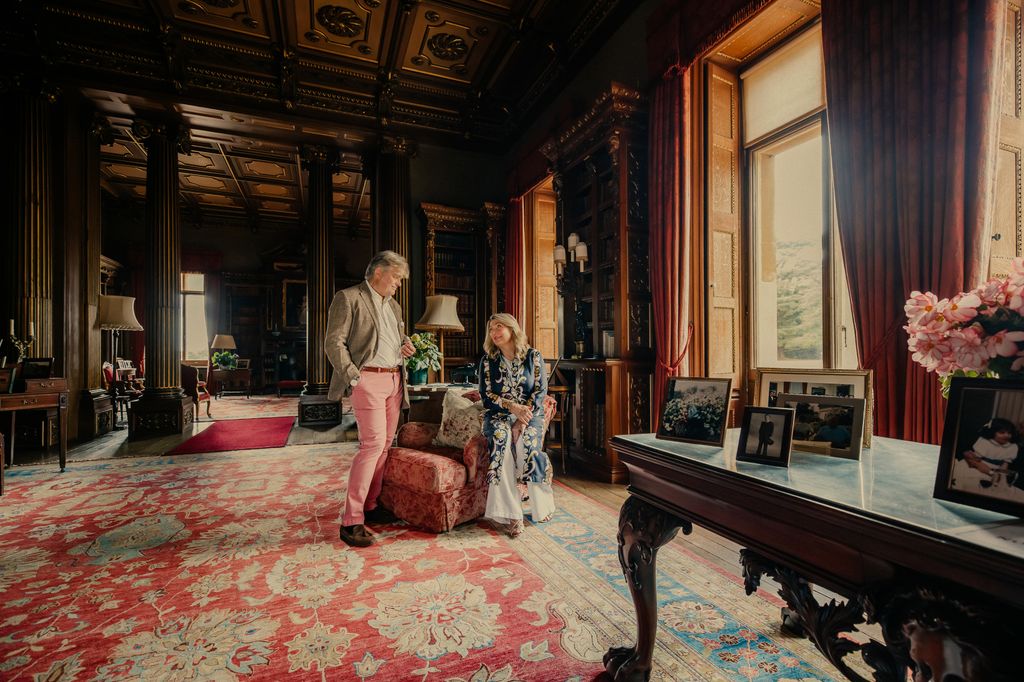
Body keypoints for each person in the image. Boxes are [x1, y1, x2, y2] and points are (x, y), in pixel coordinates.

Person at [326, 250, 416, 548]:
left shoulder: (395, 306)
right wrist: (353, 376)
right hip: (368, 379)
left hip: (394, 379)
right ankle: (351, 520)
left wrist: (405, 347)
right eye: (396, 277)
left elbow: (391, 340)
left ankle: (371, 506)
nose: (398, 284)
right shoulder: (348, 297)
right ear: (378, 272)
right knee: (372, 445)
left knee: (385, 446)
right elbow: (333, 342)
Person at [478, 313, 553, 538]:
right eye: (491, 329)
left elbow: (540, 391)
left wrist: (523, 417)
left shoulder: (533, 356)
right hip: (498, 414)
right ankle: (511, 515)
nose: (494, 332)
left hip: (530, 415)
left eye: (499, 327)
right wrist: (512, 408)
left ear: (512, 329)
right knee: (501, 440)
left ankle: (542, 505)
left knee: (528, 445)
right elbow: (486, 395)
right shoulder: (488, 361)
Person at [953, 417, 1021, 495]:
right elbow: (975, 462)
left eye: (1009, 433)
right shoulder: (985, 442)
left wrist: (1001, 476)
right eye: (1002, 432)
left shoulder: (1012, 447)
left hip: (995, 471)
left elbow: (1005, 465)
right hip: (978, 467)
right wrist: (989, 472)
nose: (1006, 435)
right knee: (971, 482)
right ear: (993, 432)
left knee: (997, 487)